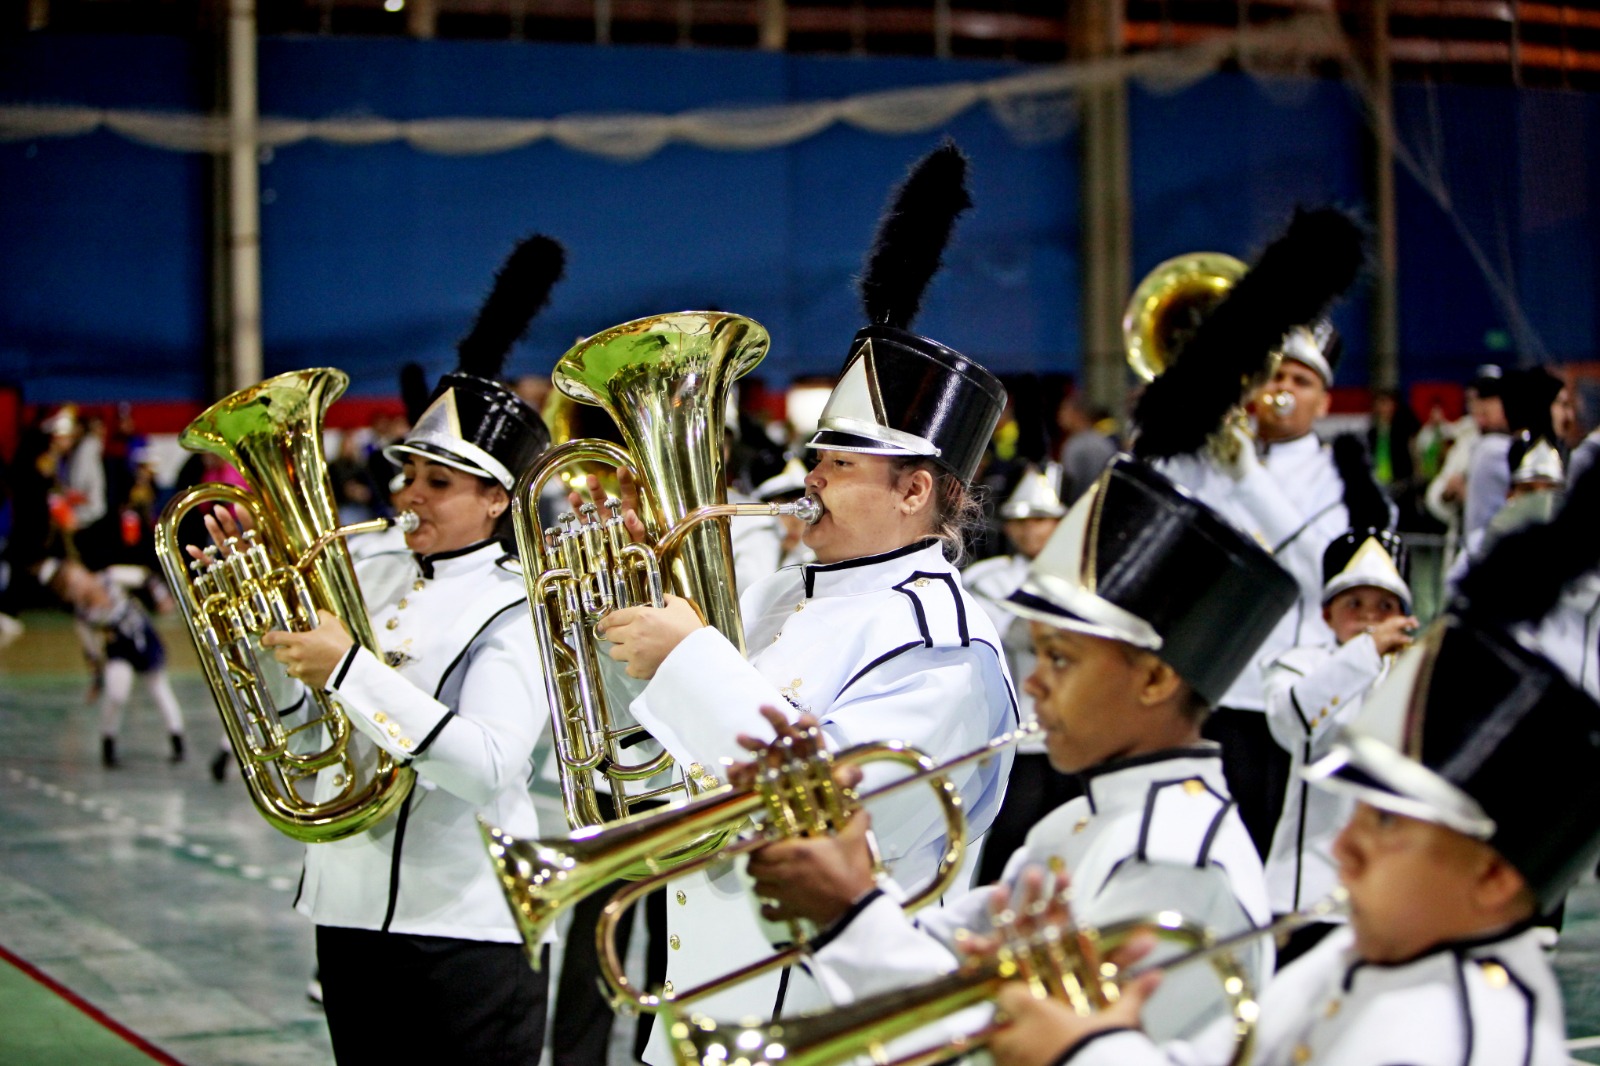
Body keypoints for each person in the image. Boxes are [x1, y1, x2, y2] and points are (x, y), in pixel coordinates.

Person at [595, 142, 1017, 1063]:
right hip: (705, 1005)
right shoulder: (796, 598)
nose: (810, 480)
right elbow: (694, 775)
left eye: (839, 464)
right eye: (816, 457)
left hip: (821, 1033)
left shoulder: (942, 648)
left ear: (916, 491)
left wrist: (691, 660)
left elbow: (831, 810)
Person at [743, 456, 1297, 1051]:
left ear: (1156, 680)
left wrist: (852, 913)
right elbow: (957, 962)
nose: (1033, 682)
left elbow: (1034, 1046)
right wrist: (852, 905)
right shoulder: (1078, 825)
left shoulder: (1174, 859)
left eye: (1061, 658)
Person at [188, 234, 565, 1066]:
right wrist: (263, 639)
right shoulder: (366, 573)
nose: (409, 496)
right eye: (406, 476)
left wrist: (348, 668)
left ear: (498, 501)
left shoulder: (519, 605)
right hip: (347, 911)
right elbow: (307, 731)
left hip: (466, 927)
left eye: (438, 482)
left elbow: (488, 766)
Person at [985, 613, 1599, 1066]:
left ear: (1492, 877)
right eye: (1357, 810)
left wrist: (1082, 1053)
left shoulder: (1458, 1039)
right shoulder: (1357, 958)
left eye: (1387, 822)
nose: (1343, 848)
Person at [1261, 527, 1416, 965]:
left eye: (1384, 607)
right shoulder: (1298, 664)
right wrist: (1366, 653)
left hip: (1395, 885)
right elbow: (1292, 719)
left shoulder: (1423, 673)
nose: (1369, 617)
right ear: (1327, 614)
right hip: (1307, 887)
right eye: (1355, 605)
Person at [963, 466, 1076, 883]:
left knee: (1071, 841)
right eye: (1023, 521)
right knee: (1009, 838)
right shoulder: (987, 579)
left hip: (1074, 727)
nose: (1033, 532)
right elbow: (1017, 635)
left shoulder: (1085, 575)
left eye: (1043, 520)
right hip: (1020, 731)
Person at [39, 556, 185, 768]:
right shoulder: (84, 615)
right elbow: (91, 651)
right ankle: (108, 741)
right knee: (117, 692)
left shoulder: (110, 577)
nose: (79, 587)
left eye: (78, 580)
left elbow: (145, 576)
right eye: (72, 588)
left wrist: (161, 597)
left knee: (159, 689)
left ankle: (177, 738)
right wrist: (97, 680)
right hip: (119, 649)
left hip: (142, 638)